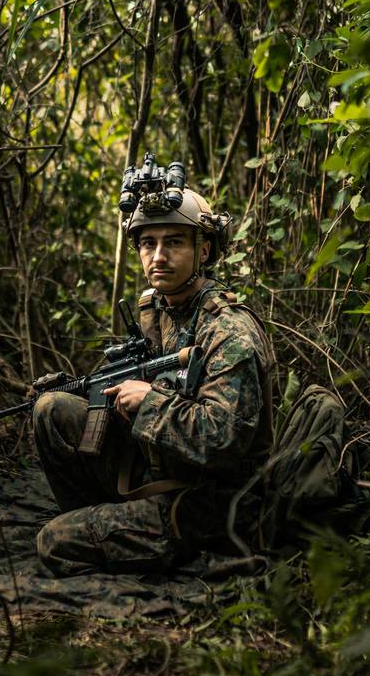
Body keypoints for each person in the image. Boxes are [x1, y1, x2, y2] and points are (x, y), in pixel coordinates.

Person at [32, 156, 276, 576]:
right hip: (163, 468)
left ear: (205, 250)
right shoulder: (158, 310)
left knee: (54, 541)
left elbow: (224, 440)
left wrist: (150, 403)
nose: (158, 256)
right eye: (148, 243)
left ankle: (157, 542)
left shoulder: (228, 329)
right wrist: (76, 388)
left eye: (174, 242)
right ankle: (108, 524)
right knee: (51, 410)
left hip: (215, 502)